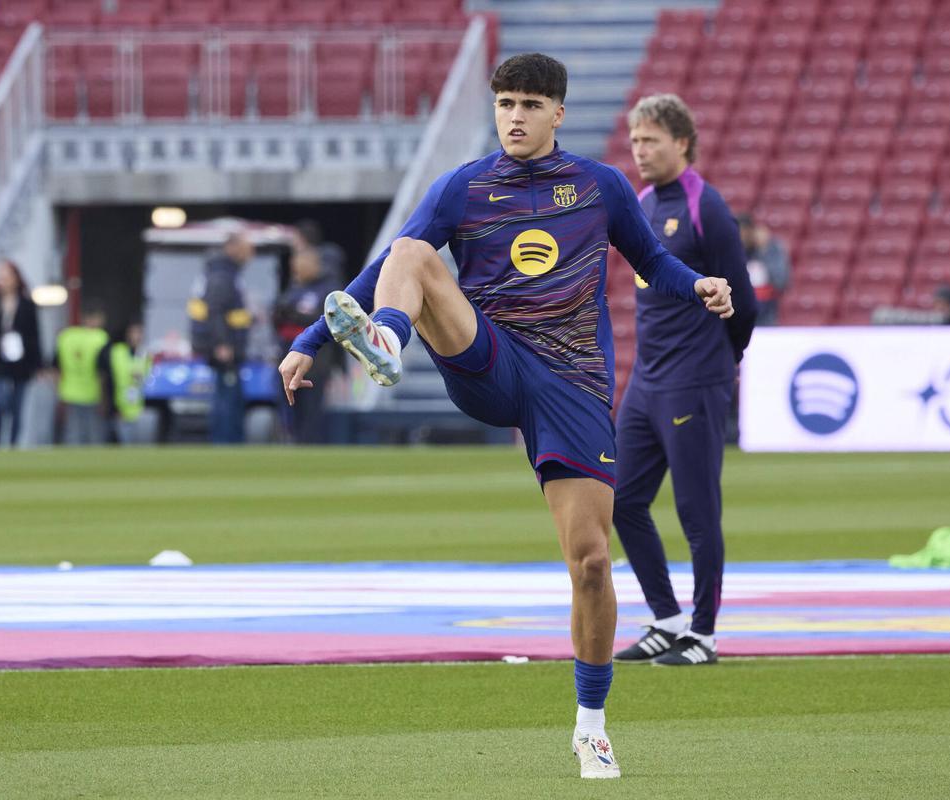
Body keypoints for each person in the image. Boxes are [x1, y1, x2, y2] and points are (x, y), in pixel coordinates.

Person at [278, 53, 735, 779]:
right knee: (410, 249)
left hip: (575, 387)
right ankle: (388, 340)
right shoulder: (464, 186)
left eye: (529, 104)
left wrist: (700, 284)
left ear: (558, 113)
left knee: (589, 561)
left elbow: (652, 260)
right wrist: (309, 340)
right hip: (489, 359)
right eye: (505, 104)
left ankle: (591, 729)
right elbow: (380, 267)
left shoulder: (601, 186)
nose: (514, 117)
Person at [610, 94, 757, 668]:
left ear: (682, 143)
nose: (640, 151)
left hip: (695, 380)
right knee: (621, 499)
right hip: (646, 381)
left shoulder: (707, 208)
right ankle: (666, 619)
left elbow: (741, 302)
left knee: (697, 511)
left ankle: (703, 635)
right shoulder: (643, 202)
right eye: (635, 140)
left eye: (651, 140)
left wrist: (720, 362)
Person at [189, 231, 253, 444]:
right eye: (246, 247)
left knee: (230, 396)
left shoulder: (225, 273)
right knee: (226, 398)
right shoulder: (222, 276)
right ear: (232, 248)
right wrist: (223, 343)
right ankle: (224, 442)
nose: (250, 252)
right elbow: (215, 311)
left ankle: (229, 441)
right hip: (226, 349)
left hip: (229, 346)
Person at [0, 259, 42, 447]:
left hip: (22, 361)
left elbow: (35, 334)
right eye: (0, 276)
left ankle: (13, 444)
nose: (2, 280)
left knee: (17, 406)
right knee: (1, 403)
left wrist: (38, 364)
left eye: (6, 276)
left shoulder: (27, 304)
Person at [274, 244, 335, 444]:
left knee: (312, 408)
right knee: (291, 405)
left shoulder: (327, 288)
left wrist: (295, 315)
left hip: (315, 360)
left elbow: (326, 319)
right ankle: (293, 443)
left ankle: (312, 446)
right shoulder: (293, 288)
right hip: (288, 353)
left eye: (300, 264)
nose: (296, 268)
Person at [54, 303, 110, 445]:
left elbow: (56, 368)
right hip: (93, 393)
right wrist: (104, 397)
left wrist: (58, 392)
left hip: (69, 392)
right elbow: (103, 372)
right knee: (94, 434)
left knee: (72, 434)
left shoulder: (66, 336)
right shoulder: (101, 338)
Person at [97, 319, 151, 445]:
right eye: (133, 332)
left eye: (139, 333)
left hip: (140, 409)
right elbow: (108, 379)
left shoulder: (146, 355)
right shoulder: (116, 352)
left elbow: (149, 383)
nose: (136, 336)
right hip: (119, 407)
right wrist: (111, 406)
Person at [738, 213, 790, 325]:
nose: (742, 238)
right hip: (740, 317)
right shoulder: (734, 252)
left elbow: (781, 281)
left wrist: (764, 250)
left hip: (766, 317)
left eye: (745, 233)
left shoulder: (771, 249)